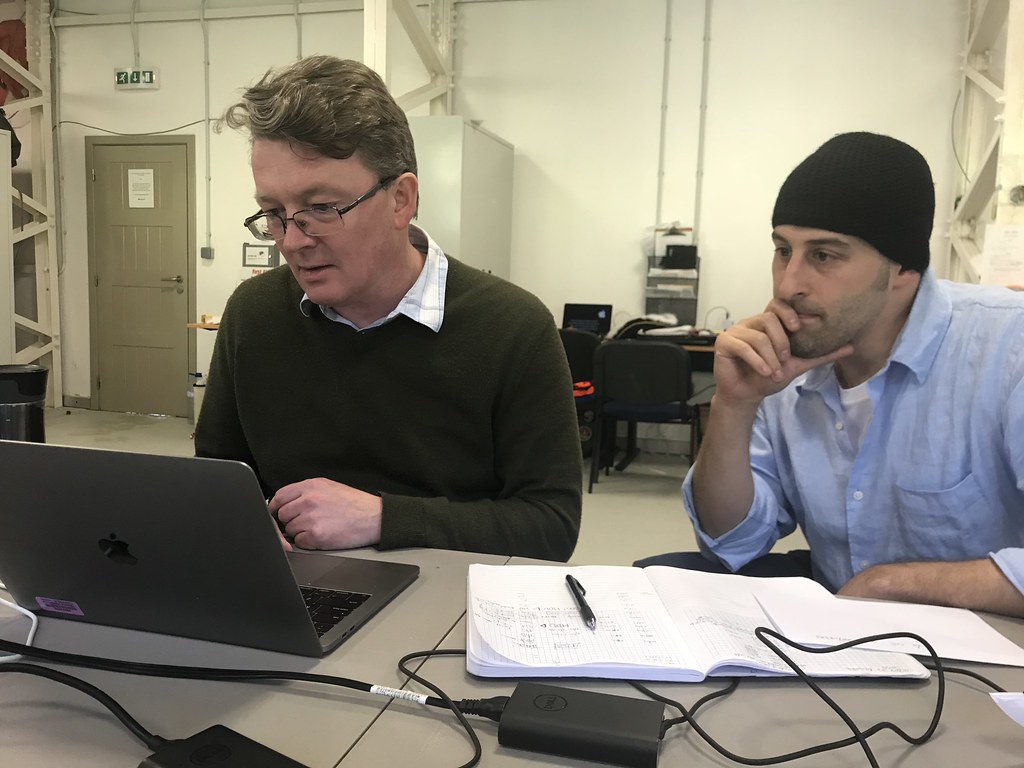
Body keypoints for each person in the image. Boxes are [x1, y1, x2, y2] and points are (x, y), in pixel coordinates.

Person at [196, 55, 582, 560]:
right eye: (273, 213)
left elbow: (550, 525)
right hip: (296, 594)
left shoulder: (513, 328)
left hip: (447, 609)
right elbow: (218, 478)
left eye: (321, 208)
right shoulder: (254, 314)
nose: (291, 241)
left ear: (401, 199)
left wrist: (384, 519)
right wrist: (239, 524)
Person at [638, 131, 1024, 617]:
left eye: (824, 255)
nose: (788, 283)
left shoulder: (1008, 348)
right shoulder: (783, 363)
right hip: (844, 651)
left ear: (902, 267)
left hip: (991, 664)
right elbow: (732, 543)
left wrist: (890, 584)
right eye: (783, 250)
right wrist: (733, 406)